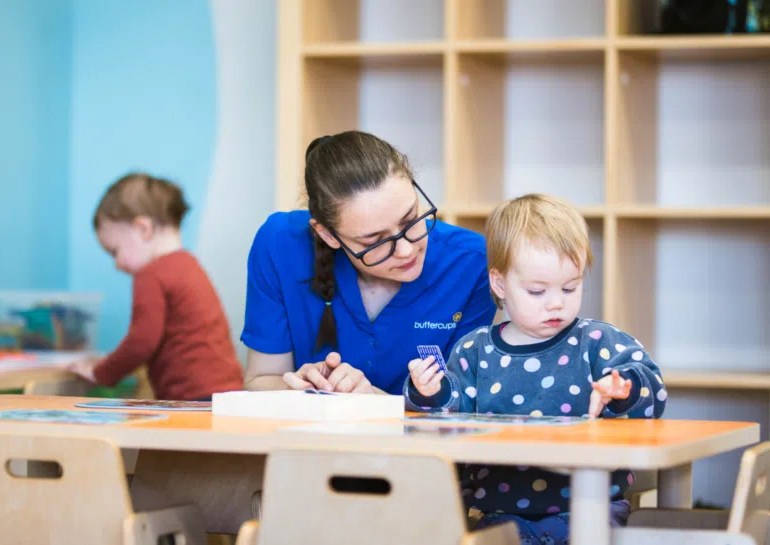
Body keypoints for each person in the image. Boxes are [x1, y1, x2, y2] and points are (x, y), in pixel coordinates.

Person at [406, 193, 668, 544]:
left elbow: (654, 393)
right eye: (536, 291)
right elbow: (449, 418)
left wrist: (626, 389)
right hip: (498, 517)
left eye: (570, 287)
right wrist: (430, 391)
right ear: (500, 285)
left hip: (589, 511)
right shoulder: (474, 350)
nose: (557, 302)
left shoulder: (598, 342)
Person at [240, 130, 496, 395]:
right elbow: (261, 379)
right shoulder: (280, 245)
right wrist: (302, 388)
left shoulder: (472, 262)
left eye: (410, 220)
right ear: (327, 234)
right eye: (375, 241)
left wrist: (372, 400)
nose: (406, 250)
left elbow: (462, 407)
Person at [68, 173, 244, 401]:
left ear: (143, 229)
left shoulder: (151, 274)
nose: (116, 265)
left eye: (115, 251)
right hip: (226, 395)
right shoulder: (189, 265)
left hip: (192, 398)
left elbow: (141, 342)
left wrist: (100, 372)